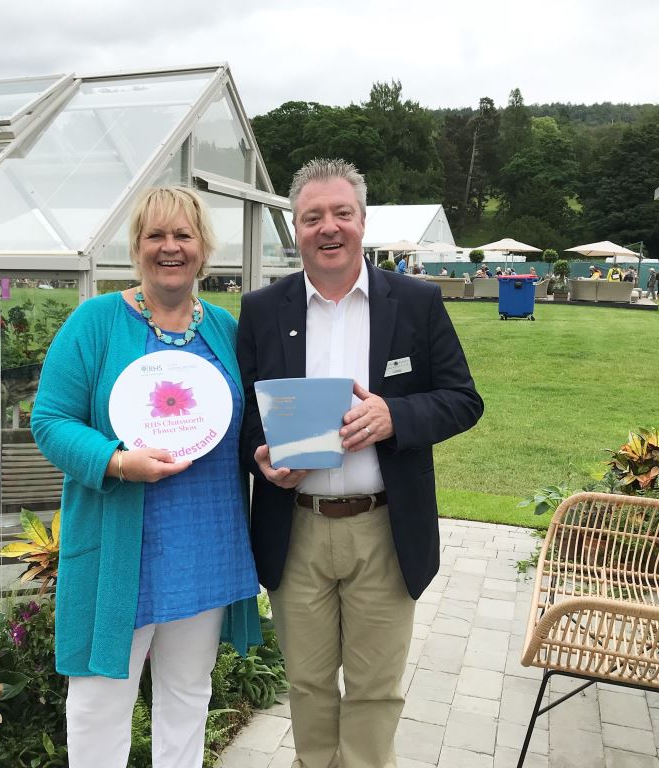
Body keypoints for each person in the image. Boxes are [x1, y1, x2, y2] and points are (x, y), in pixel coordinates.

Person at [237, 159, 484, 768]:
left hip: (383, 528)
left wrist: (396, 418)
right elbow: (244, 415)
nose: (329, 228)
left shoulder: (417, 303)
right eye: (312, 216)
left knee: (375, 694)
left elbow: (462, 399)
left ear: (362, 221)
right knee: (308, 687)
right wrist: (261, 457)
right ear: (295, 228)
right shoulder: (264, 309)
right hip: (296, 527)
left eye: (341, 213)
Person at [32, 186, 262, 768]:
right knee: (98, 701)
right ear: (136, 247)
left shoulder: (227, 330)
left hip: (205, 544)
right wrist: (115, 461)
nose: (170, 247)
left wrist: (268, 455)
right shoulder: (96, 322)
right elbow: (49, 420)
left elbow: (248, 422)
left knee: (188, 695)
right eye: (156, 235)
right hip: (119, 546)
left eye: (183, 235)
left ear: (203, 247)